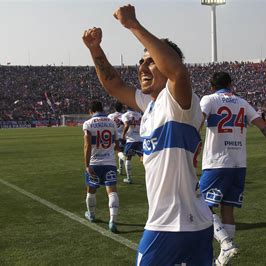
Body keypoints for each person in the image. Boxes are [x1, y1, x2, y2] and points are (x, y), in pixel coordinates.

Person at [82, 5, 213, 265]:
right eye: (140, 61)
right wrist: (95, 49)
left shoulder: (179, 100)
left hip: (169, 225)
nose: (142, 66)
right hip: (194, 222)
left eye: (150, 60)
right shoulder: (151, 104)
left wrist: (133, 24)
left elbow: (177, 71)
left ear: (166, 61)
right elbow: (114, 85)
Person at [199, 72, 266, 265]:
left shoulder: (209, 99)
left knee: (201, 206)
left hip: (217, 162)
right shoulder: (242, 103)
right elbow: (264, 127)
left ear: (212, 87)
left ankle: (226, 244)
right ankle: (223, 258)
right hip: (239, 164)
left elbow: (198, 121)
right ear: (230, 85)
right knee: (228, 209)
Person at [83, 100, 120, 233]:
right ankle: (113, 221)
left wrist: (87, 165)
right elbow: (117, 144)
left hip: (95, 163)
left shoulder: (88, 124)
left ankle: (91, 214)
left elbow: (87, 145)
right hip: (110, 163)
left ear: (90, 111)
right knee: (112, 192)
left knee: (91, 190)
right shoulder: (111, 122)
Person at [120, 107, 143, 184]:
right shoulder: (139, 115)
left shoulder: (125, 115)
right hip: (140, 139)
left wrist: (123, 135)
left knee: (128, 158)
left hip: (131, 140)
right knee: (143, 158)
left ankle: (129, 178)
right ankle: (152, 174)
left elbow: (126, 125)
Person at [107, 101, 126, 174]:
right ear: (122, 108)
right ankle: (120, 169)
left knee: (111, 152)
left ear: (114, 108)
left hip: (112, 136)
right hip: (122, 136)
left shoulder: (110, 116)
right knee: (120, 151)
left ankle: (111, 167)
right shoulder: (124, 115)